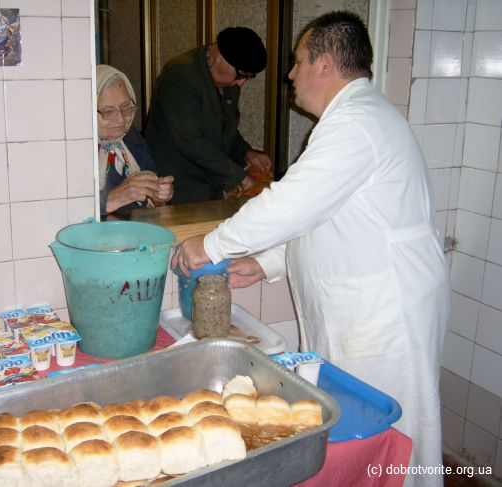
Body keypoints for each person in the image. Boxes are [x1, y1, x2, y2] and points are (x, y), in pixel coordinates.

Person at [173, 11, 450, 487]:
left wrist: (211, 243)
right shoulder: (349, 123)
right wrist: (263, 263)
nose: (290, 73)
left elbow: (291, 203)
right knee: (351, 428)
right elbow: (324, 216)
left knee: (392, 437)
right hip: (364, 304)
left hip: (384, 310)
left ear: (325, 64)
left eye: (299, 60)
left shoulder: (358, 124)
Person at [145, 27, 272, 204]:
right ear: (220, 56)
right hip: (175, 187)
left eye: (247, 77)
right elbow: (191, 141)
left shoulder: (229, 82)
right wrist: (242, 179)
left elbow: (225, 129)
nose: (241, 83)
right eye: (241, 75)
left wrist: (247, 154)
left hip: (209, 184)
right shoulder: (180, 74)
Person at [96, 65, 174, 215]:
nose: (120, 120)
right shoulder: (75, 147)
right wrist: (111, 199)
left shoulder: (131, 138)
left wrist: (158, 195)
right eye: (108, 111)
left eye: (126, 107)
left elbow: (151, 195)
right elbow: (66, 208)